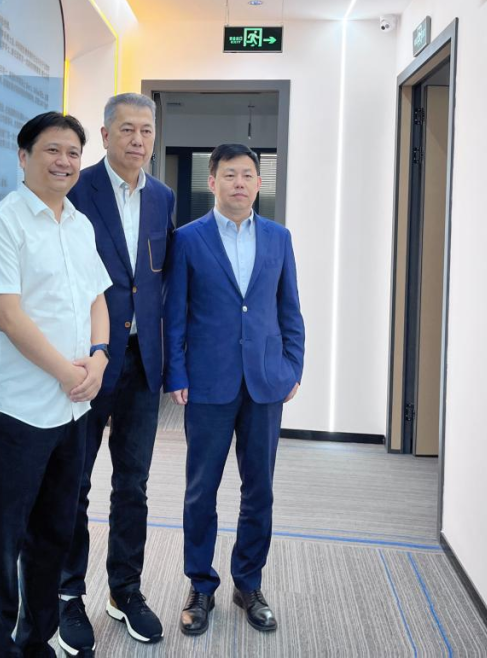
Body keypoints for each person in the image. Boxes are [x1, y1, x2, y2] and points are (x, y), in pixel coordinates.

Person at [0, 112, 112, 657]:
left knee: (54, 534)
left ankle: (35, 642)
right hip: (18, 411)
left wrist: (99, 358)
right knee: (2, 544)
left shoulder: (79, 224)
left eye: (73, 152)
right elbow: (9, 317)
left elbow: (97, 298)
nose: (64, 161)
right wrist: (68, 373)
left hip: (72, 411)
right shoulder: (1, 225)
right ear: (23, 156)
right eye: (52, 150)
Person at [164, 143, 305, 637]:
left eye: (247, 175)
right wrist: (177, 373)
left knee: (259, 488)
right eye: (229, 175)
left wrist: (293, 367)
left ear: (259, 183)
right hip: (208, 382)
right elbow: (175, 313)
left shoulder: (279, 238)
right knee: (201, 489)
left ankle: (249, 583)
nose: (239, 183)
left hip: (265, 382)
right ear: (213, 181)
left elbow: (289, 308)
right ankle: (200, 585)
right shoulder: (188, 239)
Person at [57, 94, 174, 654]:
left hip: (142, 364)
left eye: (146, 130)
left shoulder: (163, 197)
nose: (138, 139)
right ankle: (67, 593)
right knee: (75, 482)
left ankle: (125, 590)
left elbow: (157, 282)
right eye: (126, 129)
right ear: (104, 135)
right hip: (88, 361)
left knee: (133, 484)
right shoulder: (77, 190)